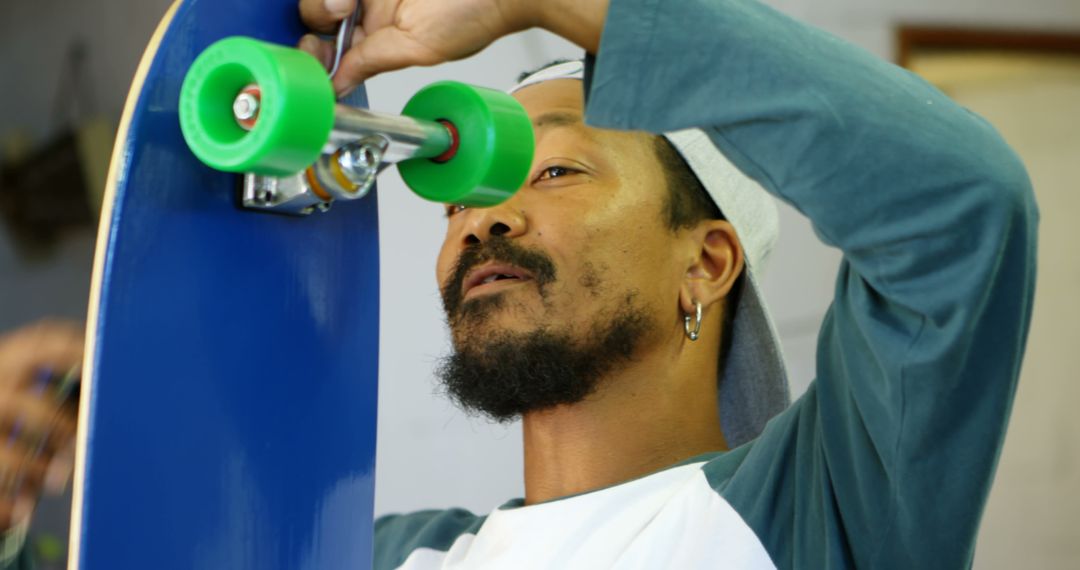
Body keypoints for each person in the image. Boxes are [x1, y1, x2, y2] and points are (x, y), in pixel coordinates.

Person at [1, 0, 1038, 568]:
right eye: (458, 199)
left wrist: (541, 3)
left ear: (707, 261)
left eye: (556, 170)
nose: (483, 216)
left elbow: (962, 209)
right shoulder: (385, 556)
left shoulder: (817, 517)